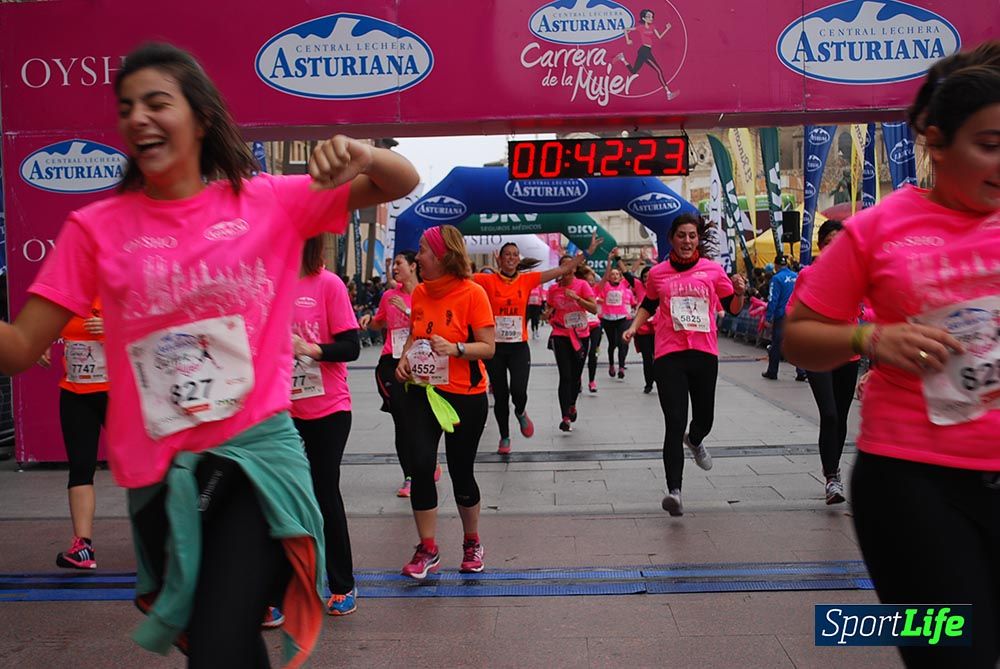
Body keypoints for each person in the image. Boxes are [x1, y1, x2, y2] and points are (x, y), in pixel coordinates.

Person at [0, 42, 419, 667]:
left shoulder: (265, 200)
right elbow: (19, 348)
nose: (138, 117)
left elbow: (400, 179)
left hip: (255, 458)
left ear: (198, 118)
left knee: (223, 641)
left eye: (156, 102)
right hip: (160, 477)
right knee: (220, 646)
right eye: (126, 107)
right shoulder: (96, 230)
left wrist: (360, 153)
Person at [784, 41, 1000, 668]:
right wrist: (872, 339)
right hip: (914, 487)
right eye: (987, 145)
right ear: (934, 140)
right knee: (954, 653)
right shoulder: (876, 230)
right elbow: (798, 335)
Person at [624, 213, 746, 515]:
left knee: (704, 419)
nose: (687, 241)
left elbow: (731, 308)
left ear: (697, 239)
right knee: (673, 422)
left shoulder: (713, 271)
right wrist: (632, 327)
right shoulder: (657, 274)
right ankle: (674, 491)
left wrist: (740, 292)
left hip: (704, 354)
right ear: (671, 239)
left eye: (692, 236)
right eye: (681, 236)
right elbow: (649, 304)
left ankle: (695, 440)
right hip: (669, 355)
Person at [395, 225, 495, 579]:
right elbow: (414, 334)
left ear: (442, 255)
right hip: (424, 392)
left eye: (422, 250)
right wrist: (404, 359)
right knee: (421, 465)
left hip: (464, 397)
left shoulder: (473, 293)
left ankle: (472, 541)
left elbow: (488, 347)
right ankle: (428, 548)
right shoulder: (420, 292)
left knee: (461, 472)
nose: (417, 256)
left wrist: (457, 349)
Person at [290, 236, 362, 617]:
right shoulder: (269, 283)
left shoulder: (328, 284)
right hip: (282, 410)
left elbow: (351, 346)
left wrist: (314, 349)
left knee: (323, 490)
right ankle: (277, 591)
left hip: (328, 408)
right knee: (278, 496)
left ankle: (342, 583)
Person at [474, 236, 599, 454]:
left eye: (515, 254)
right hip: (495, 348)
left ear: (518, 259)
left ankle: (521, 411)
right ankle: (504, 436)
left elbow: (564, 269)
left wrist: (586, 253)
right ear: (499, 259)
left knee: (518, 391)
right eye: (507, 255)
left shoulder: (527, 280)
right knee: (501, 395)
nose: (511, 258)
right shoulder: (487, 280)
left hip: (519, 347)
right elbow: (460, 275)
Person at [791, 220, 858, 505]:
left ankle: (833, 466)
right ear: (821, 245)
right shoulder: (808, 274)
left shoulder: (857, 275)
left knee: (841, 418)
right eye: (829, 240)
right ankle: (832, 478)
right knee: (829, 414)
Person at [365, 250, 441, 496]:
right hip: (391, 361)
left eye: (399, 263)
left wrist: (408, 312)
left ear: (412, 266)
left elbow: (432, 325)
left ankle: (429, 457)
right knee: (401, 418)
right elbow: (379, 322)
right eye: (393, 264)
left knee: (423, 417)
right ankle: (409, 476)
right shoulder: (388, 295)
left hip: (420, 360)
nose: (394, 267)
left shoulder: (427, 294)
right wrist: (368, 322)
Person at [38, 299, 107, 570]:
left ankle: (166, 539)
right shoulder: (68, 293)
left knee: (142, 466)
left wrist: (113, 326)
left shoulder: (117, 280)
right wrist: (44, 339)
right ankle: (83, 547)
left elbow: (148, 321)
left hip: (118, 392)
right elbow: (50, 322)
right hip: (76, 392)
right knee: (80, 466)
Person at [545, 255, 599, 432]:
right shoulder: (553, 289)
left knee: (575, 376)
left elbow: (594, 309)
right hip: (560, 334)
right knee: (565, 376)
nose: (567, 269)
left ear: (575, 269)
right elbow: (549, 311)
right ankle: (565, 417)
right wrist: (546, 315)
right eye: (563, 266)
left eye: (570, 266)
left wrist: (577, 299)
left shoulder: (582, 285)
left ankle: (572, 404)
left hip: (581, 335)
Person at [614, 8, 679, 100]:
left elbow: (659, 37)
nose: (651, 18)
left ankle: (622, 58)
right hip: (644, 51)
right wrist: (627, 39)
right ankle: (668, 93)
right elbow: (626, 29)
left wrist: (667, 29)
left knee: (633, 71)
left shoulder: (653, 27)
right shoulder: (640, 27)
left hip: (647, 51)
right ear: (643, 18)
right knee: (659, 71)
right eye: (648, 16)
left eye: (652, 16)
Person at [762, 255, 807, 381]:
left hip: (782, 315)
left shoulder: (776, 279)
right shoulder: (796, 276)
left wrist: (769, 317)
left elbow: (773, 299)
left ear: (776, 266)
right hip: (797, 314)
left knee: (776, 344)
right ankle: (801, 371)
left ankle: (772, 371)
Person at [597, 250, 637, 380]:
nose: (614, 276)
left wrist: (639, 260)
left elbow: (630, 273)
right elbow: (606, 274)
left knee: (621, 343)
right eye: (612, 274)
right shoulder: (605, 286)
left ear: (620, 277)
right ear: (609, 277)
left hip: (622, 318)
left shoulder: (624, 285)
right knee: (612, 344)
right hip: (608, 318)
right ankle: (611, 365)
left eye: (617, 274)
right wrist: (609, 261)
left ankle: (621, 367)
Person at [632, 266, 658, 394]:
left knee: (659, 357)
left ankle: (660, 379)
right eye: (645, 277)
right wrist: (617, 259)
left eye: (650, 276)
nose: (647, 279)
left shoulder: (661, 287)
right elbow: (626, 273)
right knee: (647, 358)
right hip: (643, 330)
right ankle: (649, 382)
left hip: (659, 329)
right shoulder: (638, 286)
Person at [584, 267, 603, 393]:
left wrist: (590, 269)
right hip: (581, 326)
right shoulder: (579, 290)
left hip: (595, 326)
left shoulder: (595, 289)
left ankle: (591, 381)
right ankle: (578, 379)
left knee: (592, 354)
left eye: (592, 280)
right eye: (588, 280)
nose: (591, 282)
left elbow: (603, 279)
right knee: (580, 355)